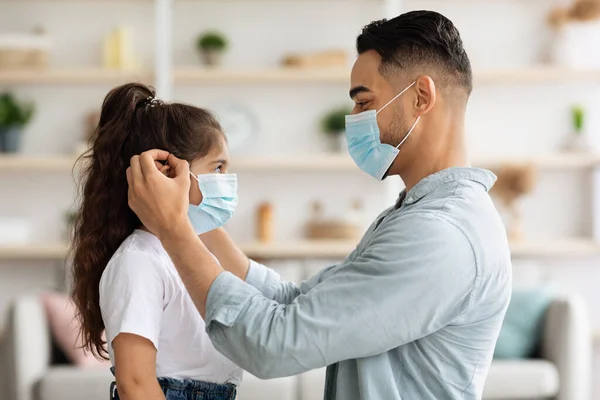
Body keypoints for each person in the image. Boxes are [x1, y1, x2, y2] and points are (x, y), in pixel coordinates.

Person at [126, 10, 512, 400]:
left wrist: (174, 229)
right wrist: (199, 213)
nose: (354, 118)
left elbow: (274, 343)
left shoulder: (440, 234)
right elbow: (298, 302)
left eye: (364, 102)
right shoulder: (414, 217)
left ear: (421, 97)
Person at [70, 83, 241, 400]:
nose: (227, 179)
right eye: (218, 167)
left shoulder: (191, 255)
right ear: (165, 171)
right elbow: (134, 383)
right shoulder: (139, 261)